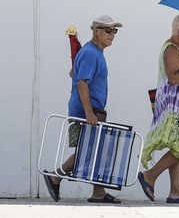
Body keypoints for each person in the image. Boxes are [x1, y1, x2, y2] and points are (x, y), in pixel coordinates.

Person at [42, 15, 123, 204]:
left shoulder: (91, 52)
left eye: (115, 31)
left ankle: (98, 192)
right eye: (108, 30)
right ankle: (55, 176)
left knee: (95, 150)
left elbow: (74, 73)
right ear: (96, 31)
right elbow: (81, 83)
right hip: (87, 109)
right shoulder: (90, 53)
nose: (113, 35)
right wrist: (88, 113)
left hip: (93, 108)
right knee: (89, 150)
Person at [138, 14, 179, 204]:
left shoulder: (176, 49)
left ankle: (176, 191)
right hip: (174, 108)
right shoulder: (171, 51)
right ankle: (150, 176)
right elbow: (173, 78)